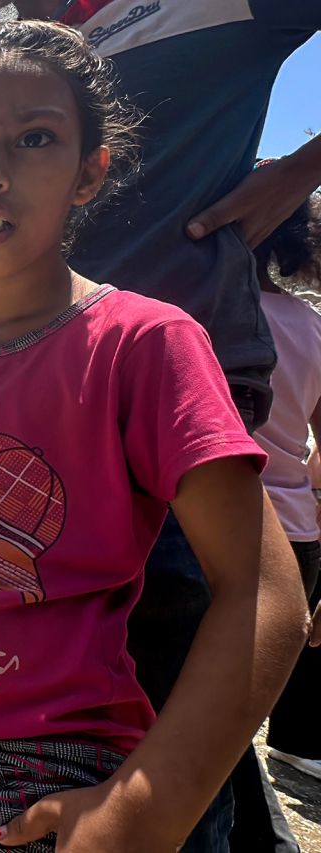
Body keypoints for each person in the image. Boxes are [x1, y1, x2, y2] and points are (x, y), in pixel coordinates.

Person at [0, 21, 307, 852]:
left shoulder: (147, 344)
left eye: (33, 138)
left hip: (41, 768)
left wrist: (145, 807)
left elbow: (266, 596)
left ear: (91, 171)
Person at [0, 3, 321, 846]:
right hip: (46, 392)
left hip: (170, 394)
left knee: (159, 717)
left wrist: (301, 172)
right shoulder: (53, 44)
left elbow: (265, 603)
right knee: (107, 697)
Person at [230, 194, 321, 850]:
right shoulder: (313, 327)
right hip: (301, 547)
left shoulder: (205, 317)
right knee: (232, 730)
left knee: (211, 734)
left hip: (223, 541)